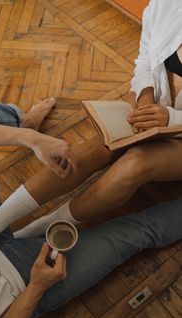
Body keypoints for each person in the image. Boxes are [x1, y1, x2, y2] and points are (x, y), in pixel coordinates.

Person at [0, 93, 182, 318]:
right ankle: (39, 229)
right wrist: (35, 289)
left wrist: (31, 139)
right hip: (16, 287)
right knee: (141, 233)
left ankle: (25, 122)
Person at [13, 0, 182, 238]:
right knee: (102, 145)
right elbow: (145, 60)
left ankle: (42, 228)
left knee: (136, 163)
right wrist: (145, 98)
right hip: (155, 106)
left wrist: (171, 118)